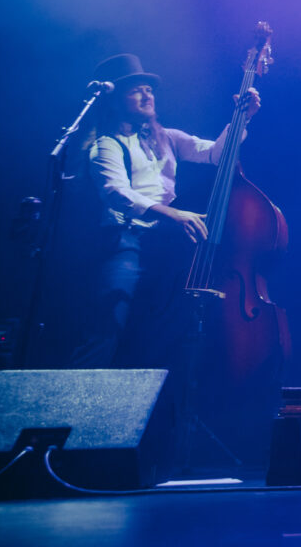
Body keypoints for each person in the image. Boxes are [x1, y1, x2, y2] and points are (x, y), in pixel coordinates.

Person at [70, 53, 260, 368]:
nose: (148, 95)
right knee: (109, 327)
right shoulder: (107, 145)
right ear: (115, 100)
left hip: (165, 245)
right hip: (125, 244)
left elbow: (215, 154)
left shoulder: (166, 138)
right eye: (136, 90)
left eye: (149, 89)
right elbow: (116, 193)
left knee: (164, 330)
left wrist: (244, 118)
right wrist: (171, 213)